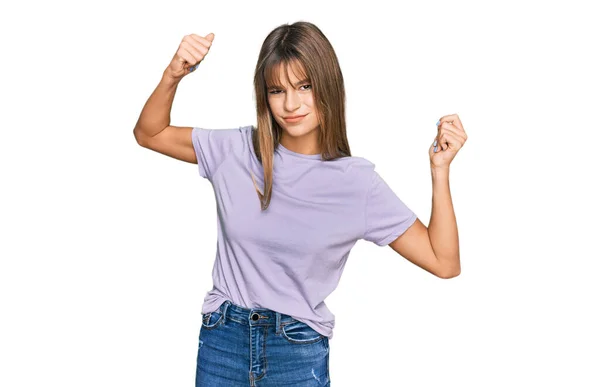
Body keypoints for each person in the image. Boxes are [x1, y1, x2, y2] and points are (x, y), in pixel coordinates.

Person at [133, 21, 466, 387]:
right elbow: (149, 133)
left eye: (304, 86)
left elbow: (443, 261)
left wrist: (439, 171)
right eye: (277, 90)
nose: (290, 104)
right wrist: (173, 74)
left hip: (296, 351)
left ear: (327, 86)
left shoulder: (356, 183)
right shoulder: (237, 150)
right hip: (222, 342)